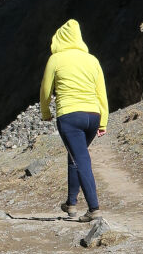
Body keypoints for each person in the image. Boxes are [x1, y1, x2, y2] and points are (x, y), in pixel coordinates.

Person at [39, 19, 108, 221]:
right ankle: (71, 204)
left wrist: (45, 112)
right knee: (75, 156)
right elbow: (101, 93)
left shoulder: (56, 59)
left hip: (70, 116)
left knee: (81, 159)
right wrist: (103, 121)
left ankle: (94, 208)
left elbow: (45, 90)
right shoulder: (92, 60)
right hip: (93, 116)